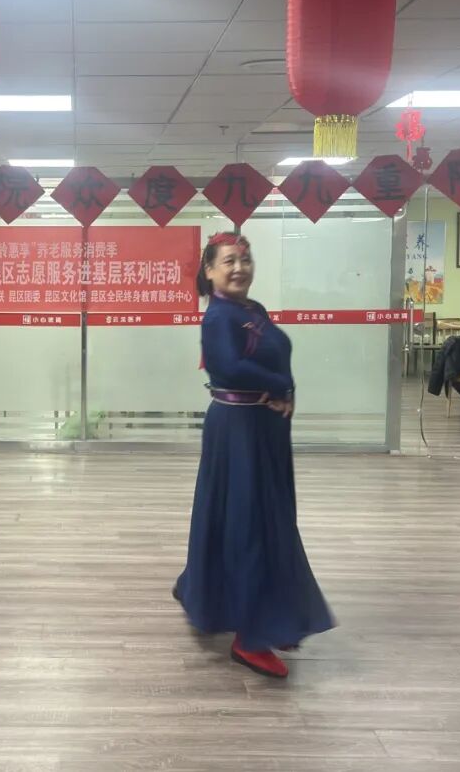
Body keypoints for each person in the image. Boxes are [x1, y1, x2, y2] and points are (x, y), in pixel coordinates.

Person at [173, 233, 333, 679]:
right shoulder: (218, 316)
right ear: (209, 271)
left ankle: (211, 593)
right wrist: (279, 386)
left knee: (262, 517)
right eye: (228, 261)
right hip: (237, 429)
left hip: (266, 429)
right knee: (250, 525)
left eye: (245, 260)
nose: (239, 268)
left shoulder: (252, 310)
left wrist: (288, 390)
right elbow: (228, 367)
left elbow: (278, 355)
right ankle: (251, 636)